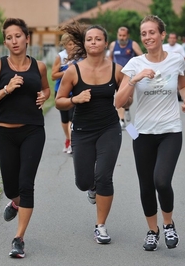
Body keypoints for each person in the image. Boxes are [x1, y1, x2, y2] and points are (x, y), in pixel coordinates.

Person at [115, 15, 185, 252]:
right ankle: (152, 231)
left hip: (170, 130)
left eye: (152, 32)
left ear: (161, 35)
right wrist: (135, 79)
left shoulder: (176, 59)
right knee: (146, 185)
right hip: (142, 133)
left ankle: (168, 224)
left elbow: (183, 85)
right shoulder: (134, 64)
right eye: (144, 33)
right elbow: (118, 101)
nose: (147, 37)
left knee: (162, 180)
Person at [0, 18, 50, 258]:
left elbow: (46, 88)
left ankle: (18, 238)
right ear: (5, 42)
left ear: (27, 38)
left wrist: (44, 96)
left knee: (26, 183)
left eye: (18, 36)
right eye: (9, 38)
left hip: (32, 130)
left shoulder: (39, 66)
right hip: (5, 132)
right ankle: (15, 202)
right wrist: (6, 90)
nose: (14, 41)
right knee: (12, 187)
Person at [55, 22, 125, 244]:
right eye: (89, 39)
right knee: (83, 182)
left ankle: (101, 226)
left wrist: (127, 97)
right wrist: (75, 99)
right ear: (84, 44)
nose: (93, 42)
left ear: (106, 43)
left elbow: (127, 99)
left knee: (104, 176)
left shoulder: (117, 70)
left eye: (98, 39)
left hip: (109, 129)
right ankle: (91, 187)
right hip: (83, 131)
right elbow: (59, 102)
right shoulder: (73, 71)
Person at [108, 27, 143, 129]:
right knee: (119, 96)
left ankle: (127, 110)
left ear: (127, 36)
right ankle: (121, 120)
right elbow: (109, 57)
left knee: (128, 98)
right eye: (120, 35)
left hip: (130, 75)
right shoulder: (113, 45)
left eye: (124, 35)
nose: (122, 38)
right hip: (117, 75)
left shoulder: (133, 44)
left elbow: (141, 57)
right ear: (117, 35)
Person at [51, 33, 76, 154]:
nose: (72, 46)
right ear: (64, 45)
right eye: (70, 44)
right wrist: (67, 71)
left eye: (74, 44)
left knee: (72, 117)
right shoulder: (60, 57)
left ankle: (72, 142)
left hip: (74, 92)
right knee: (64, 119)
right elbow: (53, 76)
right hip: (61, 91)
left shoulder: (79, 57)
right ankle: (68, 138)